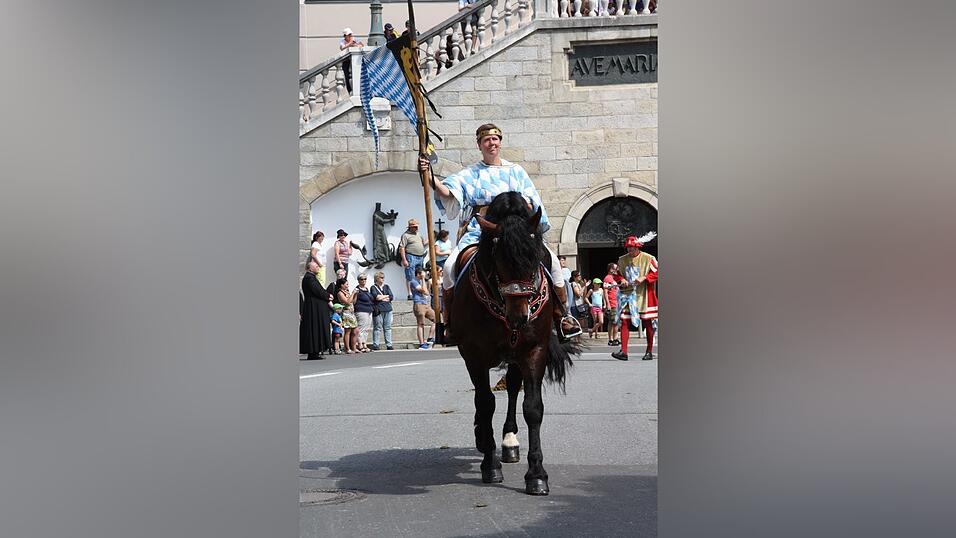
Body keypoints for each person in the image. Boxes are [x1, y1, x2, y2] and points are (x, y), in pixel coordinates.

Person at [417, 123, 580, 341]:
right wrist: (429, 176)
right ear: (479, 145)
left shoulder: (516, 171)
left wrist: (523, 216)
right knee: (448, 267)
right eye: (486, 140)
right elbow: (449, 191)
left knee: (552, 263)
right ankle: (450, 323)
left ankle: (563, 317)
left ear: (500, 142)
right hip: (482, 231)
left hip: (516, 232)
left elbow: (532, 201)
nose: (491, 144)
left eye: (495, 140)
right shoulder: (471, 173)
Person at [612, 234, 659, 361]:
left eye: (632, 248)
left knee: (648, 323)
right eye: (628, 248)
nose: (630, 250)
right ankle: (624, 352)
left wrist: (644, 278)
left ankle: (649, 351)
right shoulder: (622, 260)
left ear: (637, 247)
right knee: (625, 321)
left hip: (645, 295)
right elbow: (616, 275)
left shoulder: (649, 258)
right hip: (627, 295)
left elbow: (657, 272)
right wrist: (622, 280)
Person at [300, 261, 333, 360]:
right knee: (313, 329)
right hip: (313, 309)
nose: (318, 267)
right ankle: (313, 352)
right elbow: (318, 291)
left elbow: (319, 290)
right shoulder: (309, 278)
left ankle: (315, 351)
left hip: (315, 308)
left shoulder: (311, 278)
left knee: (316, 329)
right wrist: (328, 296)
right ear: (310, 268)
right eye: (316, 266)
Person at [398, 218, 427, 300]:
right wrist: (404, 259)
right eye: (415, 227)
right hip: (411, 257)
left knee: (420, 275)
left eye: (417, 226)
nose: (417, 228)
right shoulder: (405, 235)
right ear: (410, 227)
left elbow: (423, 244)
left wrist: (431, 238)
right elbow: (402, 248)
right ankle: (410, 294)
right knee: (410, 275)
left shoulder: (419, 234)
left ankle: (420, 291)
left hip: (420, 257)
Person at [410, 266, 435, 349]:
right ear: (418, 274)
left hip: (425, 304)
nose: (424, 274)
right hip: (418, 304)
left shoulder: (421, 281)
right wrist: (423, 279)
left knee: (437, 320)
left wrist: (424, 281)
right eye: (422, 273)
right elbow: (423, 291)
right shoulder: (413, 282)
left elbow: (427, 293)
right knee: (421, 323)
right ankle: (421, 343)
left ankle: (430, 338)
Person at [370, 271, 395, 350]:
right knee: (377, 327)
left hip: (388, 309)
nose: (383, 279)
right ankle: (376, 344)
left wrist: (382, 297)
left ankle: (389, 344)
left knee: (387, 327)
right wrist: (385, 297)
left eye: (383, 277)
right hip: (378, 309)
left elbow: (391, 296)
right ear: (377, 278)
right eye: (381, 277)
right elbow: (376, 297)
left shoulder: (386, 286)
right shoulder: (373, 287)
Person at [334, 278, 359, 354]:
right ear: (342, 285)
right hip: (346, 313)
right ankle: (347, 348)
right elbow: (347, 302)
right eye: (346, 284)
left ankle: (353, 347)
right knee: (348, 331)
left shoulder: (347, 292)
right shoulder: (340, 293)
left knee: (355, 331)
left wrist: (355, 295)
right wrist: (353, 293)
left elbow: (353, 302)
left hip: (351, 313)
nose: (348, 285)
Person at [351, 273, 374, 353]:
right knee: (361, 328)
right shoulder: (357, 289)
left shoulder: (367, 289)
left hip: (369, 310)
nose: (363, 280)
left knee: (367, 329)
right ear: (358, 280)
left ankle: (364, 344)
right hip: (361, 310)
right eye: (361, 279)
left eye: (365, 279)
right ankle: (360, 344)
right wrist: (355, 294)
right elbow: (353, 301)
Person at [339, 28, 364, 93]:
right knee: (347, 77)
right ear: (345, 35)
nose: (350, 36)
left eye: (351, 34)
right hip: (346, 61)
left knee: (356, 76)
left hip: (354, 60)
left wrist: (355, 44)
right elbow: (342, 48)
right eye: (348, 35)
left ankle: (357, 90)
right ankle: (350, 91)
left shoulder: (354, 39)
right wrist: (350, 43)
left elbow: (362, 45)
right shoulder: (342, 41)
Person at [603, 262, 622, 346]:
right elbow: (605, 291)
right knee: (614, 321)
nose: (616, 270)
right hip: (612, 302)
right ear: (610, 269)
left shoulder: (615, 278)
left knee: (613, 321)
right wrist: (608, 304)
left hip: (617, 302)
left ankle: (613, 338)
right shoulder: (608, 278)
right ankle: (614, 338)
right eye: (615, 268)